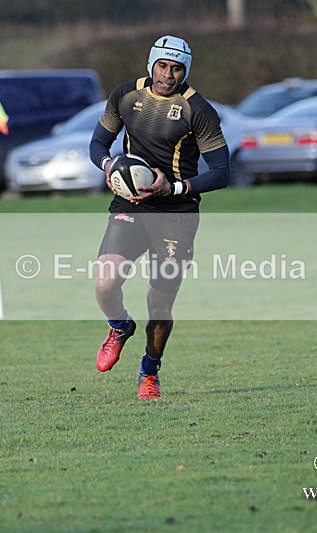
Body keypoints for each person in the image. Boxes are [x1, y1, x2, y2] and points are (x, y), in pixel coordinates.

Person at [88, 35, 230, 399]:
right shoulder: (126, 95)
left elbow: (221, 171)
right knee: (105, 282)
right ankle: (119, 326)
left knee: (159, 302)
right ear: (151, 64)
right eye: (163, 66)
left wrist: (175, 188)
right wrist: (109, 167)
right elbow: (98, 144)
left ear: (186, 70)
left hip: (176, 214)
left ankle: (150, 371)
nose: (168, 74)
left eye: (177, 68)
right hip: (132, 206)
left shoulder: (198, 110)